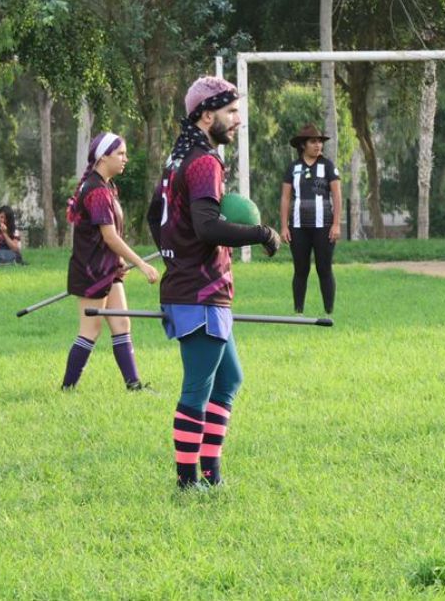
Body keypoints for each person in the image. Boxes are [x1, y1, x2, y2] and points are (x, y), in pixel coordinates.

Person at [147, 76, 281, 488]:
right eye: (231, 112)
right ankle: (188, 482)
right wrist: (261, 235)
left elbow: (155, 215)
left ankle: (212, 475)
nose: (237, 120)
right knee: (197, 388)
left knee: (229, 380)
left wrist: (175, 253)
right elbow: (207, 227)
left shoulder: (178, 159)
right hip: (200, 292)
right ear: (207, 116)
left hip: (197, 288)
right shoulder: (205, 162)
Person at [61, 133, 160, 391]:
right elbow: (110, 236)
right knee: (90, 330)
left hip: (107, 269)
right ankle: (67, 388)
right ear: (104, 156)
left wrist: (117, 263)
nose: (125, 158)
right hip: (92, 272)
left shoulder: (106, 187)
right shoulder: (96, 191)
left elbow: (105, 238)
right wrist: (141, 263)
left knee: (121, 323)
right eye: (121, 154)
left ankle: (134, 385)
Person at [279, 123, 342, 315]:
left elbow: (337, 195)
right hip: (298, 227)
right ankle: (298, 311)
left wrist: (336, 224)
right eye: (313, 142)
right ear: (303, 145)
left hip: (324, 226)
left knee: (324, 269)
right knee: (300, 270)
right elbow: (285, 197)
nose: (318, 146)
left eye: (320, 142)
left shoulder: (328, 166)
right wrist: (284, 227)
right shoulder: (293, 168)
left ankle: (329, 311)